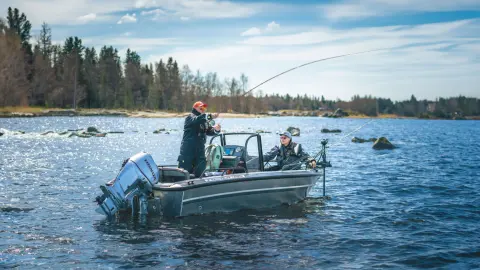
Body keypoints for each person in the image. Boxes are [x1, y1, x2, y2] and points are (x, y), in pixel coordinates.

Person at [178, 101, 221, 177]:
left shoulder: (204, 121)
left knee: (201, 170)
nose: (203, 109)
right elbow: (197, 120)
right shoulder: (189, 118)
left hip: (200, 151)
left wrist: (216, 130)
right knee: (184, 172)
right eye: (201, 107)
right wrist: (210, 116)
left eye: (204, 108)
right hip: (188, 151)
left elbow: (209, 131)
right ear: (195, 108)